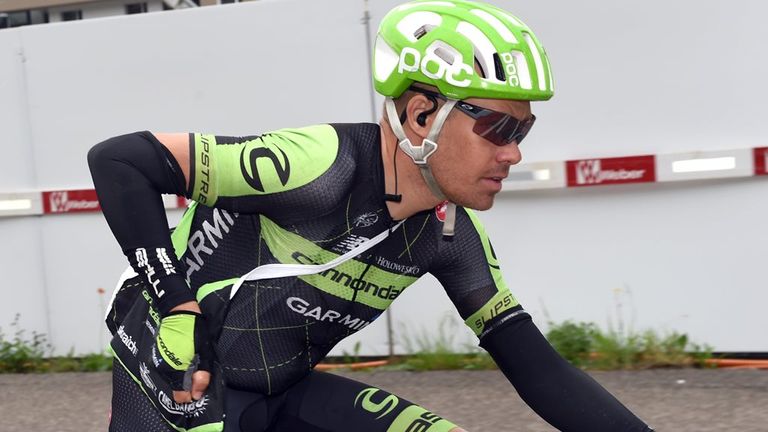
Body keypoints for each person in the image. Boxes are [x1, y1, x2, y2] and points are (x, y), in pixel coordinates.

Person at [89, 1, 654, 431]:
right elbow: (120, 161)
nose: (513, 152)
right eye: (500, 128)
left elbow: (539, 370)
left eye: (523, 131)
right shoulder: (318, 165)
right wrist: (173, 301)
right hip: (179, 384)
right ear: (420, 115)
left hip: (281, 392)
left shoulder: (449, 236)